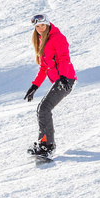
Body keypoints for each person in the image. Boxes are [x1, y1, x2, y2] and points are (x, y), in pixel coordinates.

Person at [24, 14, 77, 157]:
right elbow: (44, 68)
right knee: (43, 109)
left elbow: (65, 58)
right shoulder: (42, 41)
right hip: (60, 80)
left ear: (47, 24)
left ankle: (47, 146)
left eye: (42, 25)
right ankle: (45, 144)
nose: (40, 28)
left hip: (66, 79)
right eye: (37, 26)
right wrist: (34, 86)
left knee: (44, 108)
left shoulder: (57, 38)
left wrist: (64, 76)